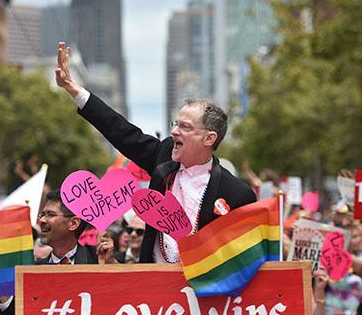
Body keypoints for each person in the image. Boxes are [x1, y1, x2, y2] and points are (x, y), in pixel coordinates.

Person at [55, 42, 256, 263]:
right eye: (175, 123)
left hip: (203, 293)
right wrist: (75, 91)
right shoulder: (164, 155)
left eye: (185, 127)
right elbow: (121, 131)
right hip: (153, 289)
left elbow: (243, 260)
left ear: (209, 138)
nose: (174, 131)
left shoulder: (238, 194)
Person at [0, 190, 112, 315]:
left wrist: (110, 265)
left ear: (73, 223)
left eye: (50, 215)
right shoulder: (33, 272)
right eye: (42, 214)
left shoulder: (98, 261)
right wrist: (4, 294)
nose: (42, 221)